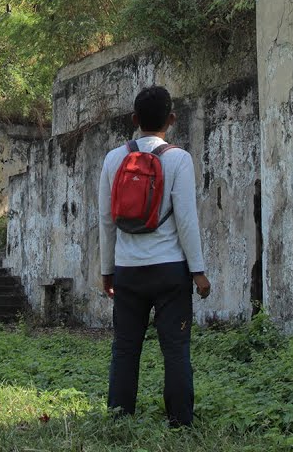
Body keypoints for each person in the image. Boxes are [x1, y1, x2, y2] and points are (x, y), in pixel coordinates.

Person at [99, 85, 211, 428]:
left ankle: (119, 420)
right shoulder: (178, 158)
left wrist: (107, 271)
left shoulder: (113, 159)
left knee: (125, 349)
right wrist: (199, 271)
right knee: (175, 350)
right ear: (172, 119)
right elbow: (186, 221)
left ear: (134, 120)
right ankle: (180, 423)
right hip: (170, 272)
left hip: (128, 271)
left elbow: (106, 220)